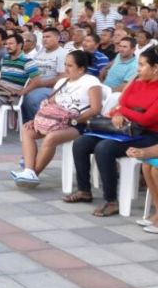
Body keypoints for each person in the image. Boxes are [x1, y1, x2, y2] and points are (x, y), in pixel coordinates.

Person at [65, 47, 158, 217]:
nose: (138, 69)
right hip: (124, 129)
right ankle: (84, 190)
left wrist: (123, 111)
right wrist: (119, 112)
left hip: (148, 135)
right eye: (138, 64)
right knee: (81, 143)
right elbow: (119, 104)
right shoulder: (137, 82)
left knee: (104, 148)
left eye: (142, 65)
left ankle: (111, 201)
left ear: (155, 68)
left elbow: (146, 120)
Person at [12, 50, 102, 187]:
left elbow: (96, 109)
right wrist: (37, 120)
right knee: (27, 130)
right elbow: (51, 104)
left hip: (77, 123)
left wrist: (75, 121)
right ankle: (28, 170)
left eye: (70, 66)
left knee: (51, 137)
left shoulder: (91, 81)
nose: (66, 69)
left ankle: (33, 174)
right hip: (56, 121)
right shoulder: (62, 82)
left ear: (81, 68)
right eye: (65, 64)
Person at [21, 27, 67, 122]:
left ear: (58, 38)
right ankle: (26, 122)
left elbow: (63, 77)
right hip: (35, 84)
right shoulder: (41, 52)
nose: (45, 39)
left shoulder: (62, 53)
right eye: (43, 37)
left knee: (31, 98)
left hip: (52, 88)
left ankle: (43, 123)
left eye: (48, 37)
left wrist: (41, 84)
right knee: (17, 93)